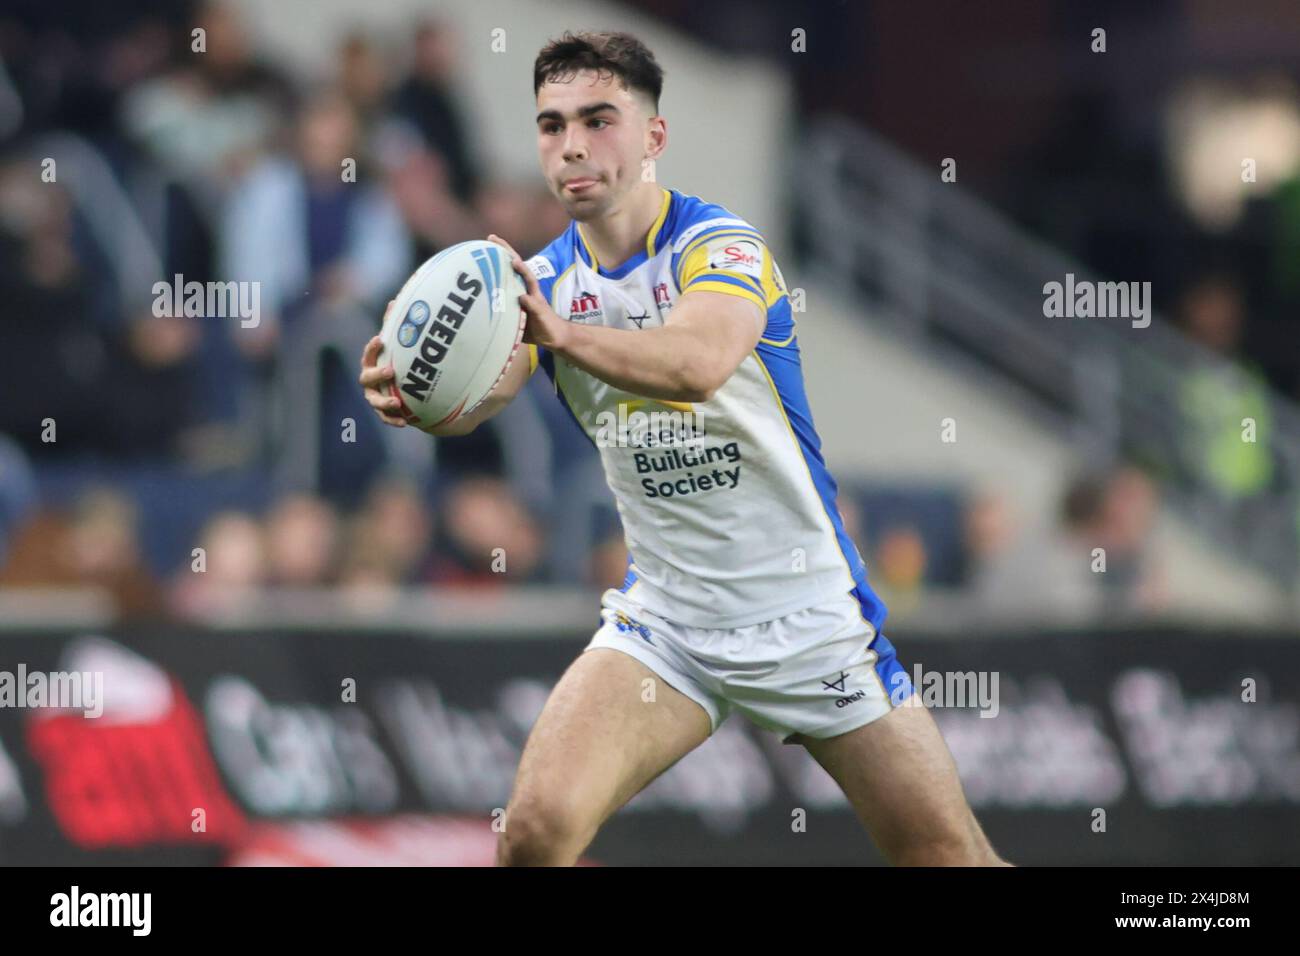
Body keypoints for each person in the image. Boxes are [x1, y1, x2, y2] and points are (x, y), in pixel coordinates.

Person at [359, 31, 1007, 867]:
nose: (573, 145)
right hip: (669, 625)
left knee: (947, 860)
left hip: (809, 618)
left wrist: (565, 332)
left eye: (599, 119)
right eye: (551, 126)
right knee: (533, 832)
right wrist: (412, 393)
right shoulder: (540, 285)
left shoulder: (721, 247)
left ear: (653, 137)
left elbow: (696, 363)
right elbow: (487, 391)